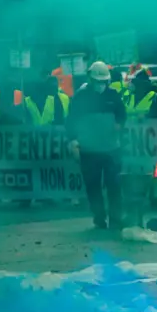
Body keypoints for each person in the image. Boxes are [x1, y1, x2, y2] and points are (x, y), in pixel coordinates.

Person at [67, 61, 127, 230]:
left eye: (104, 81)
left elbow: (122, 114)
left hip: (111, 149)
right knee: (93, 186)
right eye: (98, 81)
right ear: (90, 79)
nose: (101, 84)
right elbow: (71, 120)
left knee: (114, 185)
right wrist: (73, 141)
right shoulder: (80, 97)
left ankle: (116, 218)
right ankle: (99, 217)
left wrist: (119, 124)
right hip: (89, 149)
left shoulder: (113, 95)